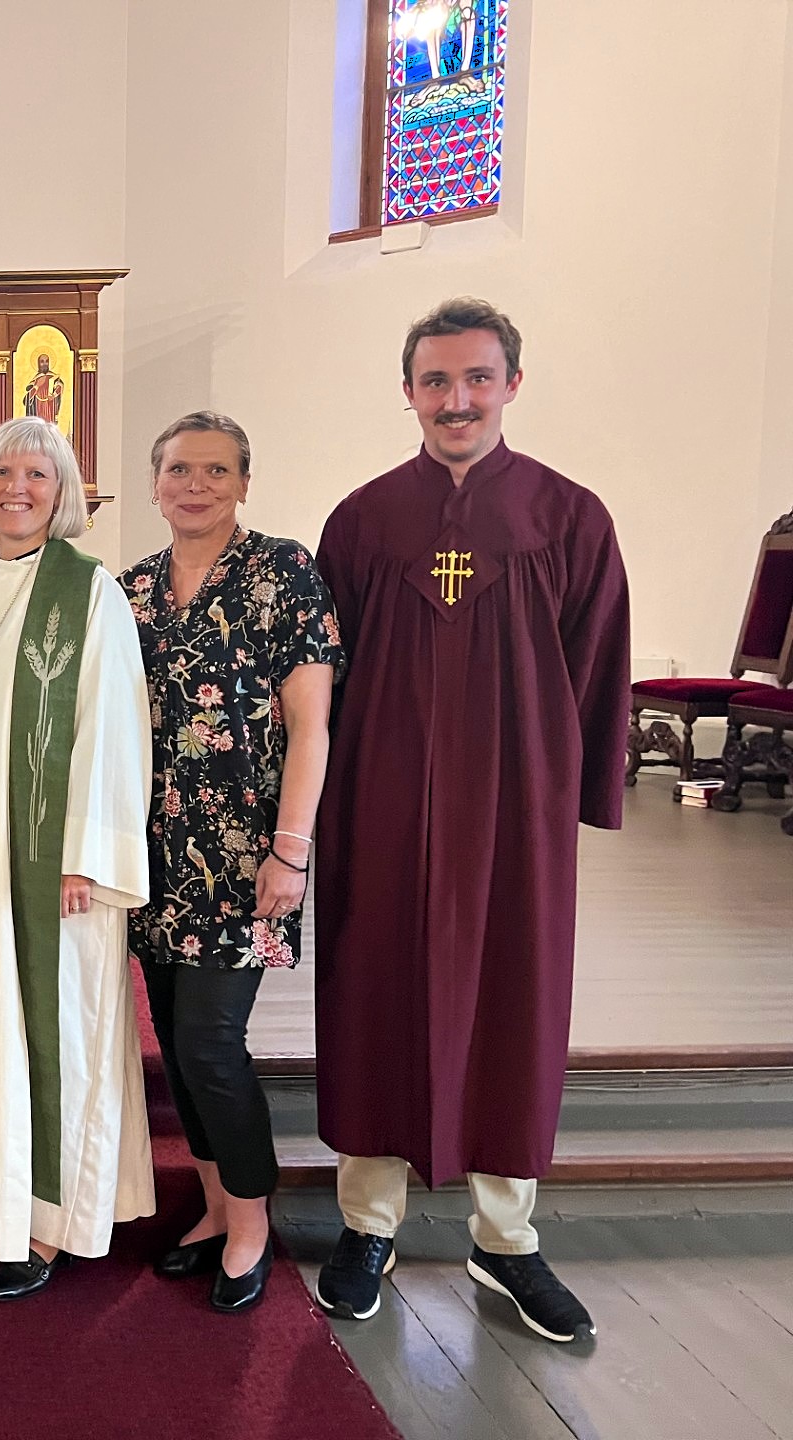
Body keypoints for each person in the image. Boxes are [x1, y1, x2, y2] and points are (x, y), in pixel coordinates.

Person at [313, 298, 631, 1343]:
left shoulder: (569, 517)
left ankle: (508, 1241)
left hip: (514, 812)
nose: (458, 400)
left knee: (514, 1003)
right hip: (384, 803)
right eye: (438, 381)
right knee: (376, 996)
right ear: (408, 391)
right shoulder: (362, 522)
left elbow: (595, 667)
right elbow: (326, 678)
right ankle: (370, 1223)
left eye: (478, 379)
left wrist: (570, 794)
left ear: (512, 385)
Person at [0, 416, 155, 1302]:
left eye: (38, 474)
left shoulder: (90, 592)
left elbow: (115, 731)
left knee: (56, 1030)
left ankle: (49, 1227)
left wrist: (82, 854)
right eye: (2, 471)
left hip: (56, 864)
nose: (17, 488)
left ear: (65, 490)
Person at [119, 412, 341, 1314]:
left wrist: (292, 847)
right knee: (176, 1043)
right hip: (151, 854)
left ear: (244, 483)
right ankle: (213, 1207)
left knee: (213, 1043)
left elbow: (312, 723)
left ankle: (252, 1225)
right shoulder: (129, 590)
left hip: (246, 851)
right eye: (179, 469)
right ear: (155, 482)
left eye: (216, 469)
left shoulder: (283, 572)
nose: (196, 484)